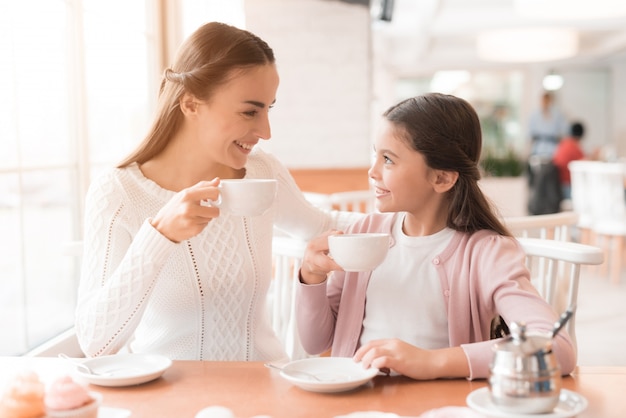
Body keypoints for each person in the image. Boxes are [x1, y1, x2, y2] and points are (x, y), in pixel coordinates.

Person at [75, 22, 359, 361]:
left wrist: (416, 216)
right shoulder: (119, 192)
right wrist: (160, 236)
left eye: (269, 109)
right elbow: (94, 342)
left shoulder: (261, 170)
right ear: (192, 104)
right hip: (173, 400)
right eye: (250, 111)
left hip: (265, 389)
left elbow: (323, 224)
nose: (266, 131)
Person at [295, 93, 576, 380]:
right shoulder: (361, 235)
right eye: (376, 155)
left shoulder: (487, 251)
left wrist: (431, 362)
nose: (372, 172)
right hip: (360, 403)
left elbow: (556, 347)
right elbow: (315, 342)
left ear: (441, 178)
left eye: (388, 160)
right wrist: (311, 277)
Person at [527, 91, 568, 158]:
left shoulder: (558, 115)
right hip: (538, 148)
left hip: (553, 148)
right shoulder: (534, 115)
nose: (546, 103)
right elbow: (530, 134)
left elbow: (564, 131)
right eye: (544, 100)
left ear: (551, 101)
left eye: (548, 100)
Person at [552, 121, 586, 200]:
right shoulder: (573, 146)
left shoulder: (563, 143)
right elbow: (584, 162)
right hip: (567, 184)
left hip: (558, 183)